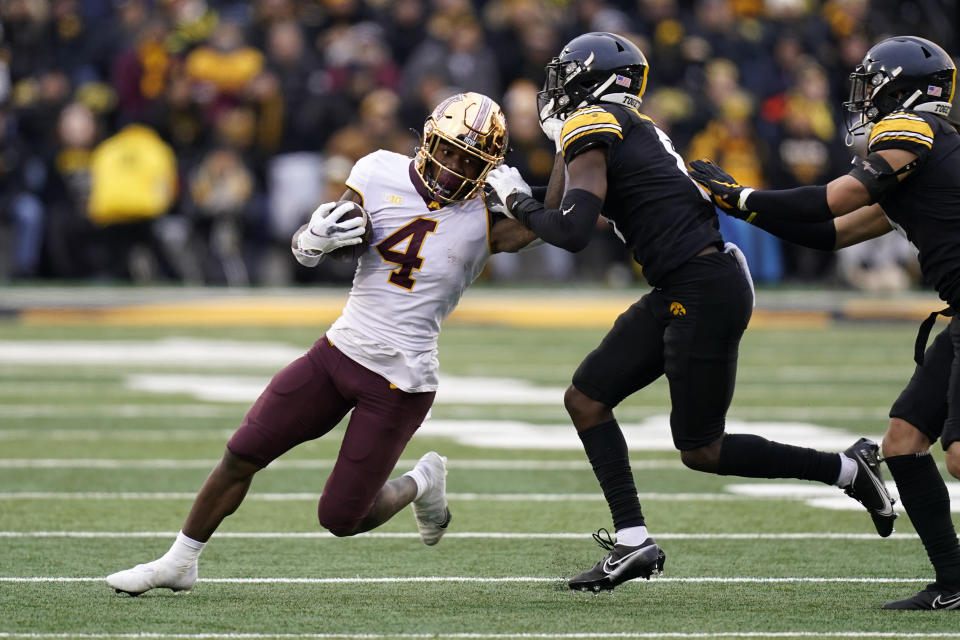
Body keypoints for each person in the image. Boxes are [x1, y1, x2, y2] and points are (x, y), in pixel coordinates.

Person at [484, 31, 897, 594]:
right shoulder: (615, 127)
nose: (557, 89)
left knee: (703, 449)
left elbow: (572, 231)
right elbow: (557, 208)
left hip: (700, 285)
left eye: (566, 75)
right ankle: (633, 543)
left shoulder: (595, 124)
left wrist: (512, 197)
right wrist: (497, 208)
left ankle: (851, 471)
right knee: (586, 398)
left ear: (596, 80)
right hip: (690, 280)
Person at [106, 91, 537, 596]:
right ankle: (179, 562)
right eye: (449, 150)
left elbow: (568, 219)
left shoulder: (490, 216)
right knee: (243, 451)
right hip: (338, 351)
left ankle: (421, 482)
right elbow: (331, 235)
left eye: (470, 160)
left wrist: (532, 190)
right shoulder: (378, 170)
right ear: (428, 139)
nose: (453, 167)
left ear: (490, 166)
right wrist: (309, 238)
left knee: (340, 517)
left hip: (400, 381)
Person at [689, 35, 960, 610]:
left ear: (905, 93)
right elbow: (832, 232)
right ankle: (954, 583)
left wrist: (743, 196)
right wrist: (744, 207)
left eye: (873, 86)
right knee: (905, 441)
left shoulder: (914, 135)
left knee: (959, 454)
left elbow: (833, 201)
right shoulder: (928, 162)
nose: (863, 99)